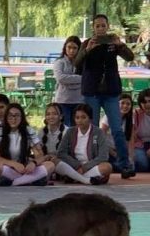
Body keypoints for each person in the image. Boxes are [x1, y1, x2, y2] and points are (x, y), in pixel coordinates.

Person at [74, 14, 135, 177]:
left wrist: (120, 46)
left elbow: (130, 57)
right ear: (93, 28)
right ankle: (93, 163)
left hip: (111, 92)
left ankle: (125, 164)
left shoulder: (113, 42)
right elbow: (76, 64)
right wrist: (87, 51)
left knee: (117, 129)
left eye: (103, 25)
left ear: (108, 26)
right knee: (91, 129)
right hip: (91, 91)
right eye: (97, 26)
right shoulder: (87, 43)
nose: (100, 28)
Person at [0, 102, 55, 186]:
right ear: (6, 117)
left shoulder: (28, 130)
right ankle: (28, 180)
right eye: (10, 115)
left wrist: (33, 163)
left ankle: (16, 182)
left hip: (24, 169)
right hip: (7, 168)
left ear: (22, 117)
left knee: (50, 165)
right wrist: (14, 164)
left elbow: (40, 154)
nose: (13, 118)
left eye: (17, 115)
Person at [55, 103, 113, 185]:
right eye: (77, 118)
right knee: (55, 161)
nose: (80, 120)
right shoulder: (70, 132)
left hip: (91, 167)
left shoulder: (98, 132)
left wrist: (85, 167)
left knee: (107, 167)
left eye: (83, 117)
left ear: (90, 118)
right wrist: (77, 165)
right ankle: (86, 180)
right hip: (73, 167)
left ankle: (73, 177)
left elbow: (103, 156)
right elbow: (61, 153)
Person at [52, 36, 83, 126]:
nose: (71, 50)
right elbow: (60, 78)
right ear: (65, 47)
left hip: (78, 100)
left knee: (76, 129)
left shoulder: (82, 63)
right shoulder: (59, 62)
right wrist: (80, 78)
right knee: (65, 128)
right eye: (69, 47)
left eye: (74, 48)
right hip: (63, 101)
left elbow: (87, 79)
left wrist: (69, 80)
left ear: (79, 49)